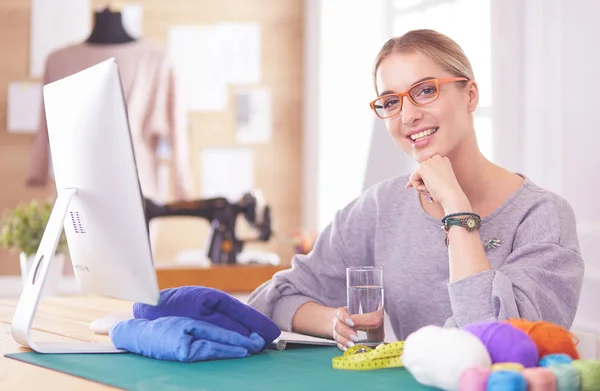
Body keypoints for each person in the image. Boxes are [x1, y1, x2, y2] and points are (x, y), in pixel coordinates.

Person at [247, 29, 585, 351]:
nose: (408, 115)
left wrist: (456, 207)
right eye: (391, 101)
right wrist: (335, 321)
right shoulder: (381, 207)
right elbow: (272, 298)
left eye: (425, 90)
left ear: (470, 94)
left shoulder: (542, 216)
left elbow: (494, 342)